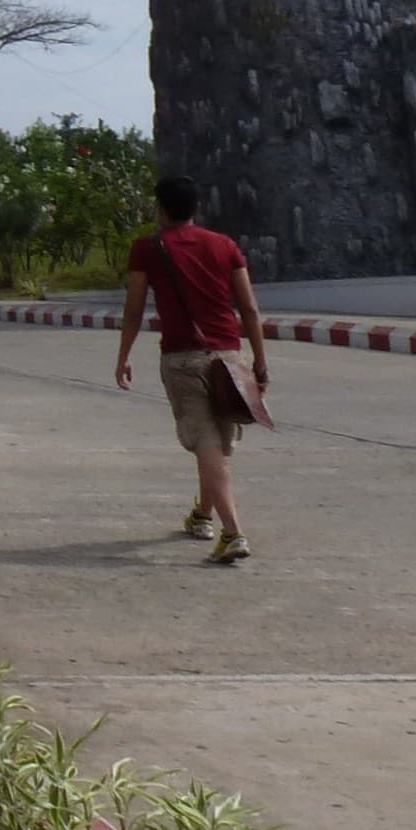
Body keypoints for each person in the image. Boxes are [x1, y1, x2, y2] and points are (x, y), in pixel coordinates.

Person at [114, 174, 272, 566]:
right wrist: (259, 360)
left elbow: (134, 308)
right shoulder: (224, 246)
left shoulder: (147, 249)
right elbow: (249, 308)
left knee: (206, 445)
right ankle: (202, 516)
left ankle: (233, 532)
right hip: (228, 358)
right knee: (214, 445)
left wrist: (123, 355)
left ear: (161, 208)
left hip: (183, 360)